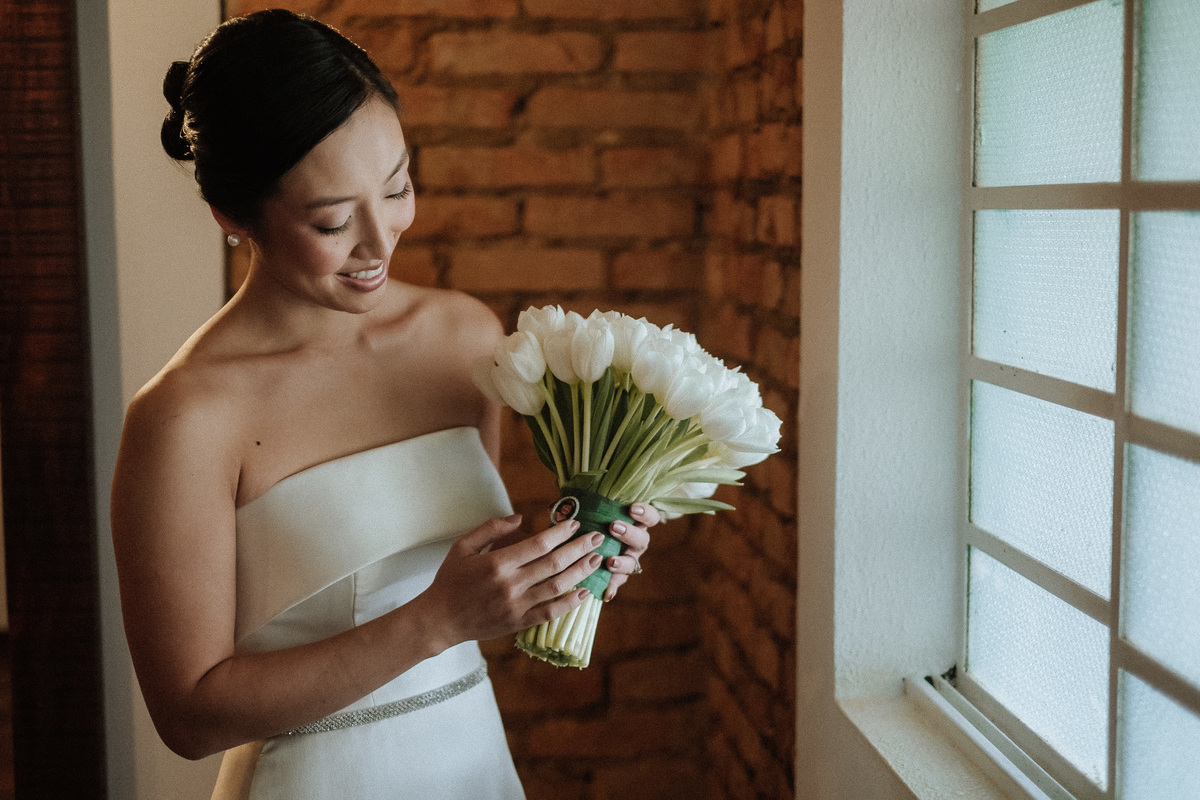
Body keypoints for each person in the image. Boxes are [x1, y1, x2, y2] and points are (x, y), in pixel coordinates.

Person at [109, 10, 657, 799]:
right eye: (332, 220)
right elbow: (189, 718)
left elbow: (472, 580)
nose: (380, 240)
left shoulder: (464, 338)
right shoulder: (183, 417)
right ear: (233, 215)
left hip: (471, 763)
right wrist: (435, 622)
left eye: (398, 186)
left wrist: (575, 559)